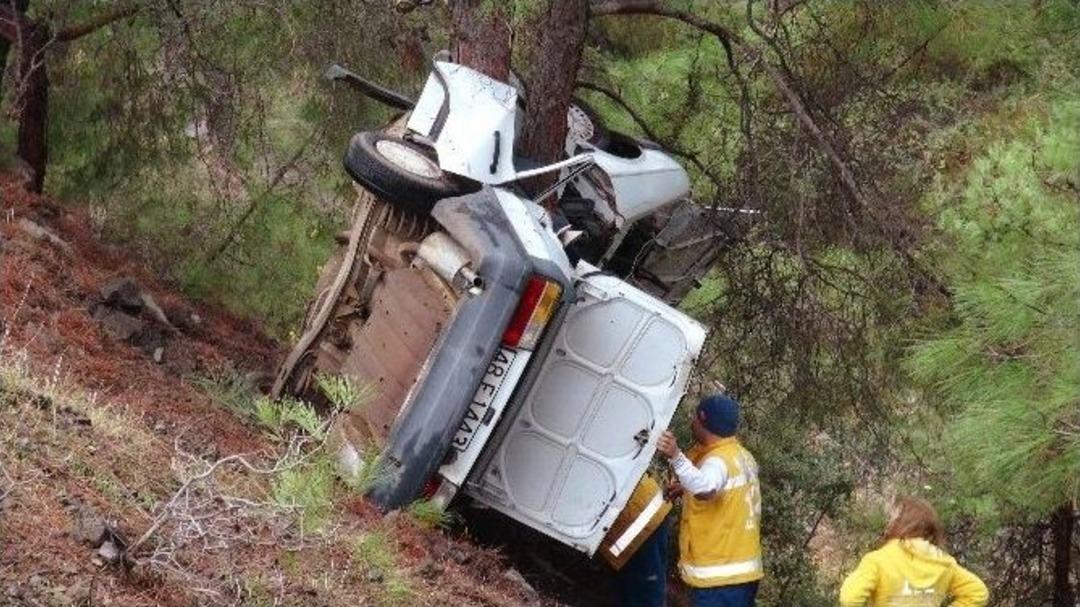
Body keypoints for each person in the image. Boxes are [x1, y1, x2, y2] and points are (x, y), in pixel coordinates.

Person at [656, 394, 763, 607]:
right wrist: (686, 488)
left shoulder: (718, 461)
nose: (692, 421)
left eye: (695, 416)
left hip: (720, 578)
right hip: (743, 574)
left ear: (703, 419)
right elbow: (728, 496)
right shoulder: (741, 455)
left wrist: (676, 456)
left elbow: (706, 488)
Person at [839, 496, 989, 607]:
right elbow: (978, 592)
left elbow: (850, 598)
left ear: (896, 524)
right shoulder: (945, 562)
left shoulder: (878, 560)